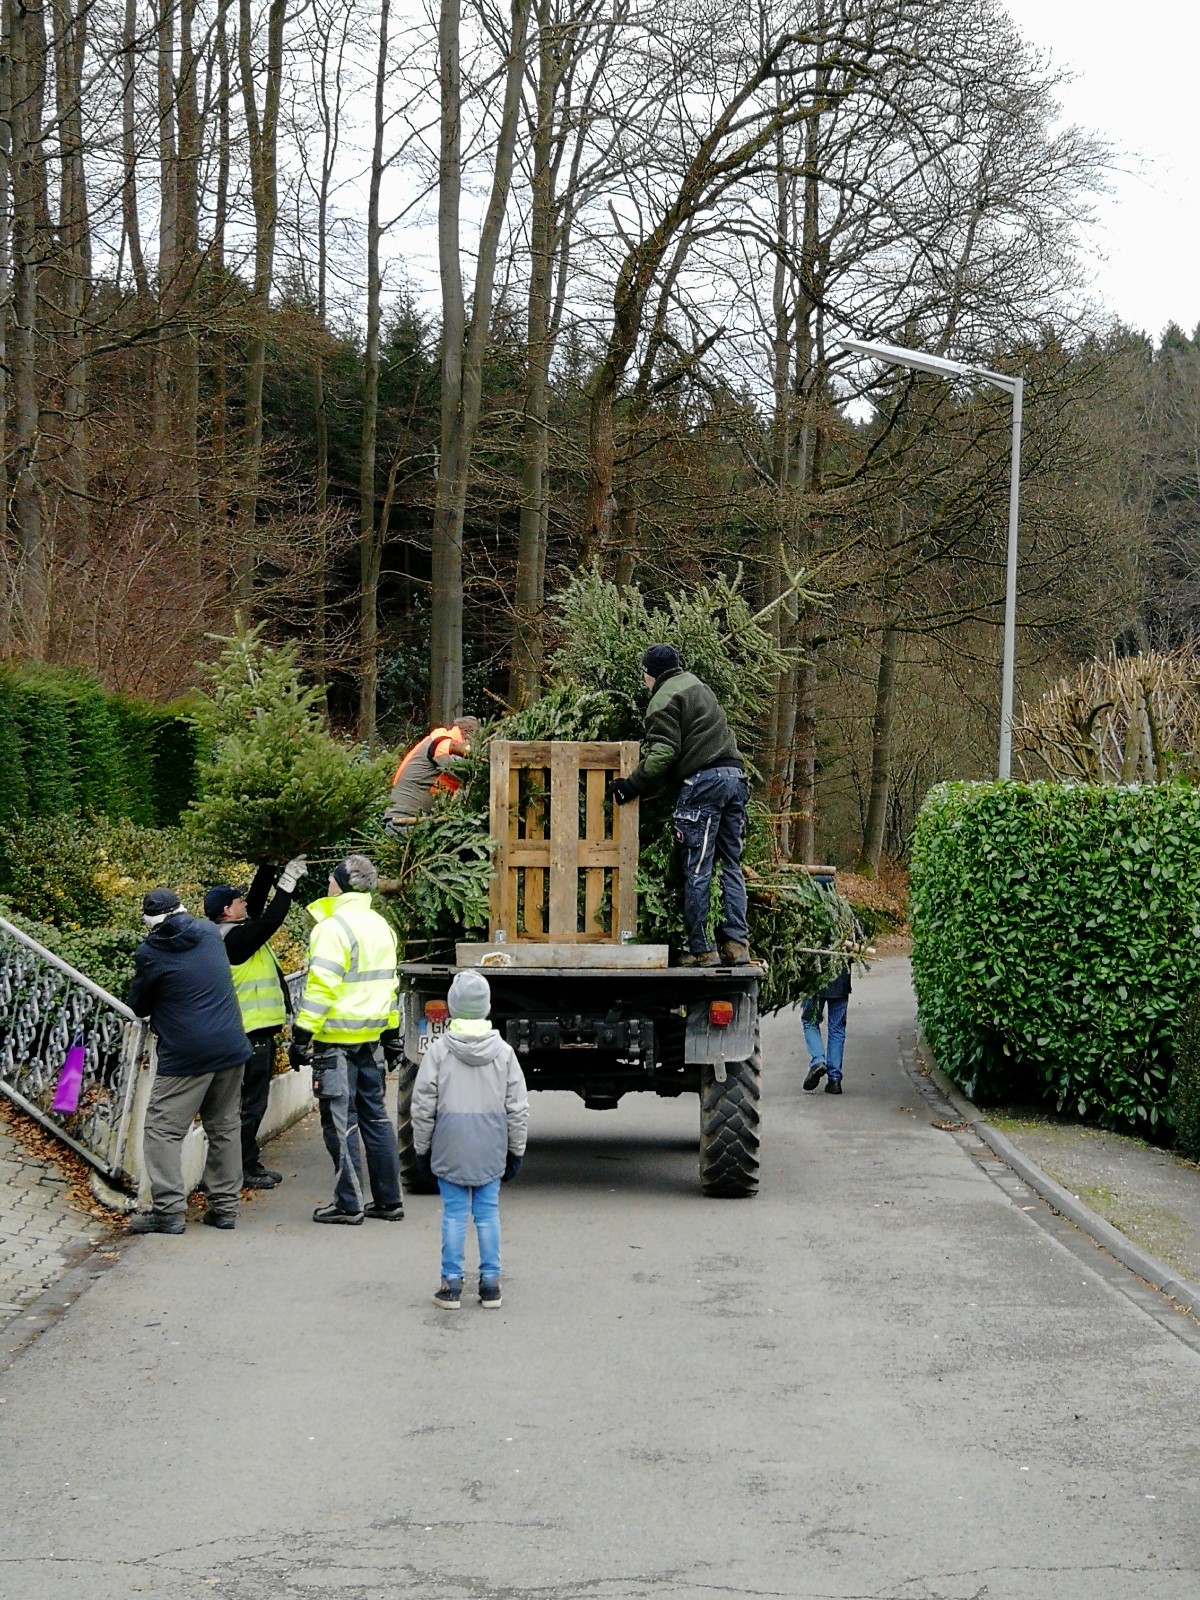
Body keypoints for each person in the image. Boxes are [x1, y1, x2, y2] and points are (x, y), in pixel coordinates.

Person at [611, 643, 751, 968]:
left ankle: (701, 949)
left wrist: (632, 784)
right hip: (735, 778)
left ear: (650, 673)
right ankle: (736, 945)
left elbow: (663, 753)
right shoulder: (698, 685)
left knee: (698, 866)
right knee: (730, 864)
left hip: (704, 784)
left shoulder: (662, 699)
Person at [126, 889, 252, 1233]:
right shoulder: (210, 933)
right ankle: (225, 1209)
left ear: (149, 922)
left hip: (186, 1054)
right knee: (224, 1128)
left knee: (162, 1131)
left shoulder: (151, 952)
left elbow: (139, 1005)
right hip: (231, 1046)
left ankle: (168, 1212)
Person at [288, 854, 405, 1224]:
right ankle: (388, 1201)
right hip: (371, 1040)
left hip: (335, 1042)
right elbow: (390, 987)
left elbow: (321, 989)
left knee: (340, 1122)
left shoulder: (332, 928)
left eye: (332, 878)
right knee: (376, 1119)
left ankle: (349, 1203)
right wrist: (392, 1035)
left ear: (340, 884)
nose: (328, 882)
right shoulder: (382, 927)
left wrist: (301, 1036)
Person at [410, 970, 529, 1310]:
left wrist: (422, 1149)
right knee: (487, 1214)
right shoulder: (504, 1053)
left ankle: (450, 1286)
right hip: (491, 1146)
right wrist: (516, 1151)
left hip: (449, 1144)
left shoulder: (438, 1052)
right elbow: (518, 1108)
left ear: (452, 1007)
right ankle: (490, 1285)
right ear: (487, 1007)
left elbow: (422, 1106)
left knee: (454, 1215)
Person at [205, 856, 307, 1189]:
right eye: (238, 902)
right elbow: (270, 920)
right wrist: (287, 885)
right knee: (250, 1105)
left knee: (245, 1104)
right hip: (251, 1034)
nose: (244, 904)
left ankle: (237, 1165)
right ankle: (243, 1168)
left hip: (249, 1034)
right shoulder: (234, 941)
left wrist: (268, 865)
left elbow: (257, 904)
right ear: (226, 911)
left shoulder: (230, 932)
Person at [384, 717, 479, 833]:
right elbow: (465, 771)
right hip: (402, 823)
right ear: (467, 733)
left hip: (418, 822)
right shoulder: (440, 742)